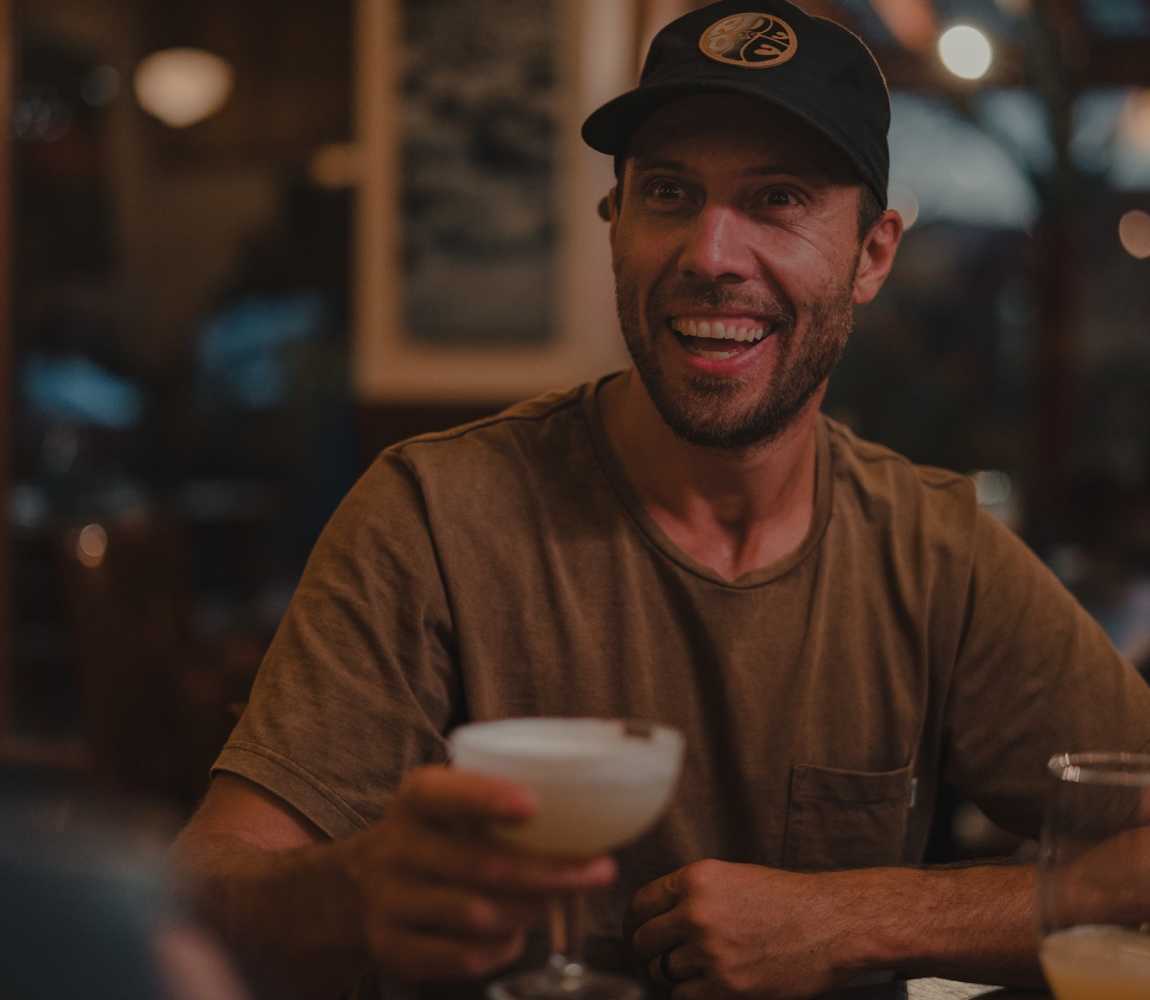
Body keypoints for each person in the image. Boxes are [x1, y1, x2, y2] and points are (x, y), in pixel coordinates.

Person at [170, 2, 1150, 998]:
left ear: (872, 255)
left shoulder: (933, 550)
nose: (710, 253)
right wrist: (348, 892)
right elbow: (205, 885)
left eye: (777, 198)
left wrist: (858, 914)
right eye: (669, 192)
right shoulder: (432, 516)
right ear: (616, 225)